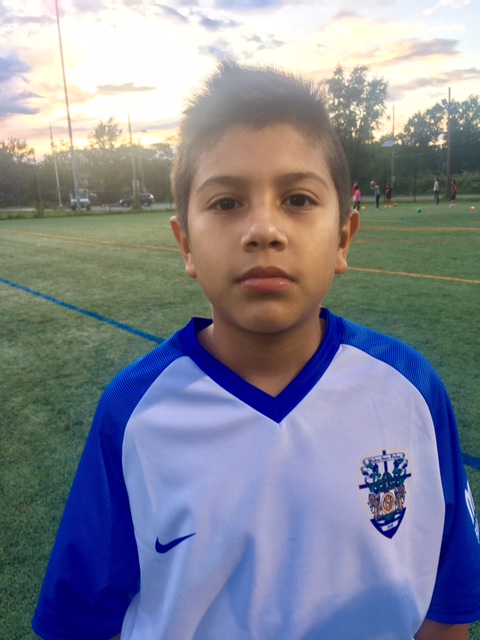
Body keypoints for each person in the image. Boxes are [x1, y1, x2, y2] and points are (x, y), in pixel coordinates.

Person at [32, 62, 480, 640]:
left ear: (343, 238)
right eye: (226, 203)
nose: (263, 229)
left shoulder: (411, 391)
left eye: (297, 198)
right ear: (185, 244)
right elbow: (82, 622)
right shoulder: (134, 412)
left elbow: (445, 607)